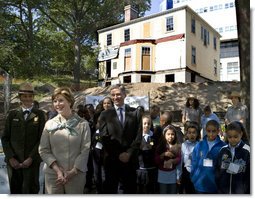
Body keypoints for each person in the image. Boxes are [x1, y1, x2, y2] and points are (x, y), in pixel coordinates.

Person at [39, 87, 91, 194]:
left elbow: (85, 150)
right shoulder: (49, 124)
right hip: (54, 175)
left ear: (70, 102)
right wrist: (58, 170)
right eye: (55, 101)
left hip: (76, 175)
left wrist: (73, 171)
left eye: (61, 100)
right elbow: (43, 150)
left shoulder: (83, 124)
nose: (57, 104)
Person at [1, 82, 46, 194]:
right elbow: (5, 138)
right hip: (14, 163)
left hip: (31, 162)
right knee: (16, 190)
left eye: (30, 96)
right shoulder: (12, 114)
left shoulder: (39, 114)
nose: (27, 99)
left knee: (31, 190)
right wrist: (11, 158)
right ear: (20, 97)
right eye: (24, 96)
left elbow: (42, 139)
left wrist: (31, 158)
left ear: (33, 97)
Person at [98, 84, 142, 194]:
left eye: (118, 94)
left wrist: (129, 153)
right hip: (112, 160)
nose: (115, 97)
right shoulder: (105, 114)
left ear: (124, 95)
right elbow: (104, 137)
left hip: (130, 161)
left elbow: (138, 135)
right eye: (113, 95)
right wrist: (118, 154)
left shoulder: (135, 113)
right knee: (110, 190)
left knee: (130, 190)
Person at [190, 120, 226, 194]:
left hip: (215, 185)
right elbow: (194, 162)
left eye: (214, 131)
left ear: (218, 131)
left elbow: (224, 166)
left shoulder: (223, 146)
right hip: (199, 184)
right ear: (206, 131)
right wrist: (193, 177)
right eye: (209, 131)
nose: (211, 134)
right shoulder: (199, 145)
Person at [215, 121, 250, 194]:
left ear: (241, 134)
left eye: (235, 136)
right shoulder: (223, 150)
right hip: (223, 192)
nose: (233, 139)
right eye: (230, 137)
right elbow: (217, 169)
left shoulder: (247, 151)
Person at [91, 97, 113, 193]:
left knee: (106, 174)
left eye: (108, 103)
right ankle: (98, 191)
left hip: (109, 150)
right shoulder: (98, 114)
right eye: (105, 103)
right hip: (96, 149)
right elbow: (94, 128)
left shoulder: (115, 116)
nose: (106, 105)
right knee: (97, 174)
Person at [155, 125, 181, 194]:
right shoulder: (160, 147)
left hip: (173, 173)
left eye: (172, 134)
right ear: (164, 135)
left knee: (172, 192)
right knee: (163, 192)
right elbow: (156, 160)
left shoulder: (177, 146)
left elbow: (179, 158)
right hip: (162, 174)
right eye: (168, 134)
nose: (170, 136)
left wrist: (173, 161)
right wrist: (163, 155)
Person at [136, 115, 158, 194]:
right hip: (141, 169)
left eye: (148, 123)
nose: (146, 125)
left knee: (151, 190)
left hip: (152, 168)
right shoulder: (137, 137)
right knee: (141, 190)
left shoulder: (154, 136)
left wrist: (153, 147)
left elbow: (157, 148)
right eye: (144, 123)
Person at [178, 122, 200, 194]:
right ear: (187, 134)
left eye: (194, 132)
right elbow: (180, 161)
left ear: (197, 134)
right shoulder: (184, 145)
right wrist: (179, 175)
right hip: (186, 173)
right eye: (189, 132)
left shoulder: (200, 145)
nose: (192, 135)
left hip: (197, 173)